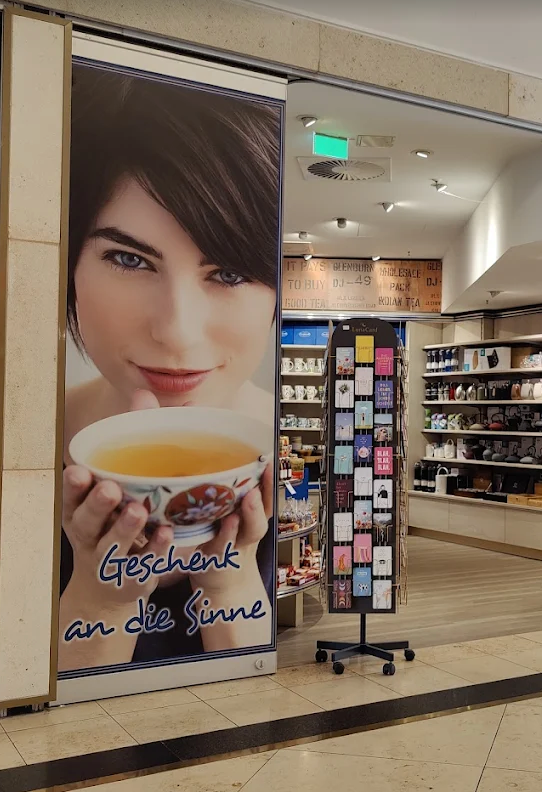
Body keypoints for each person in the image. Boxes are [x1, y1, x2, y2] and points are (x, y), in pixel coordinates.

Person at [58, 64, 282, 672]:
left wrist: (230, 581)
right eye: (129, 259)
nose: (177, 332)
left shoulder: (282, 446)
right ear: (69, 265)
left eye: (229, 272)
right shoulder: (26, 449)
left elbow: (259, 704)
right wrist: (103, 598)